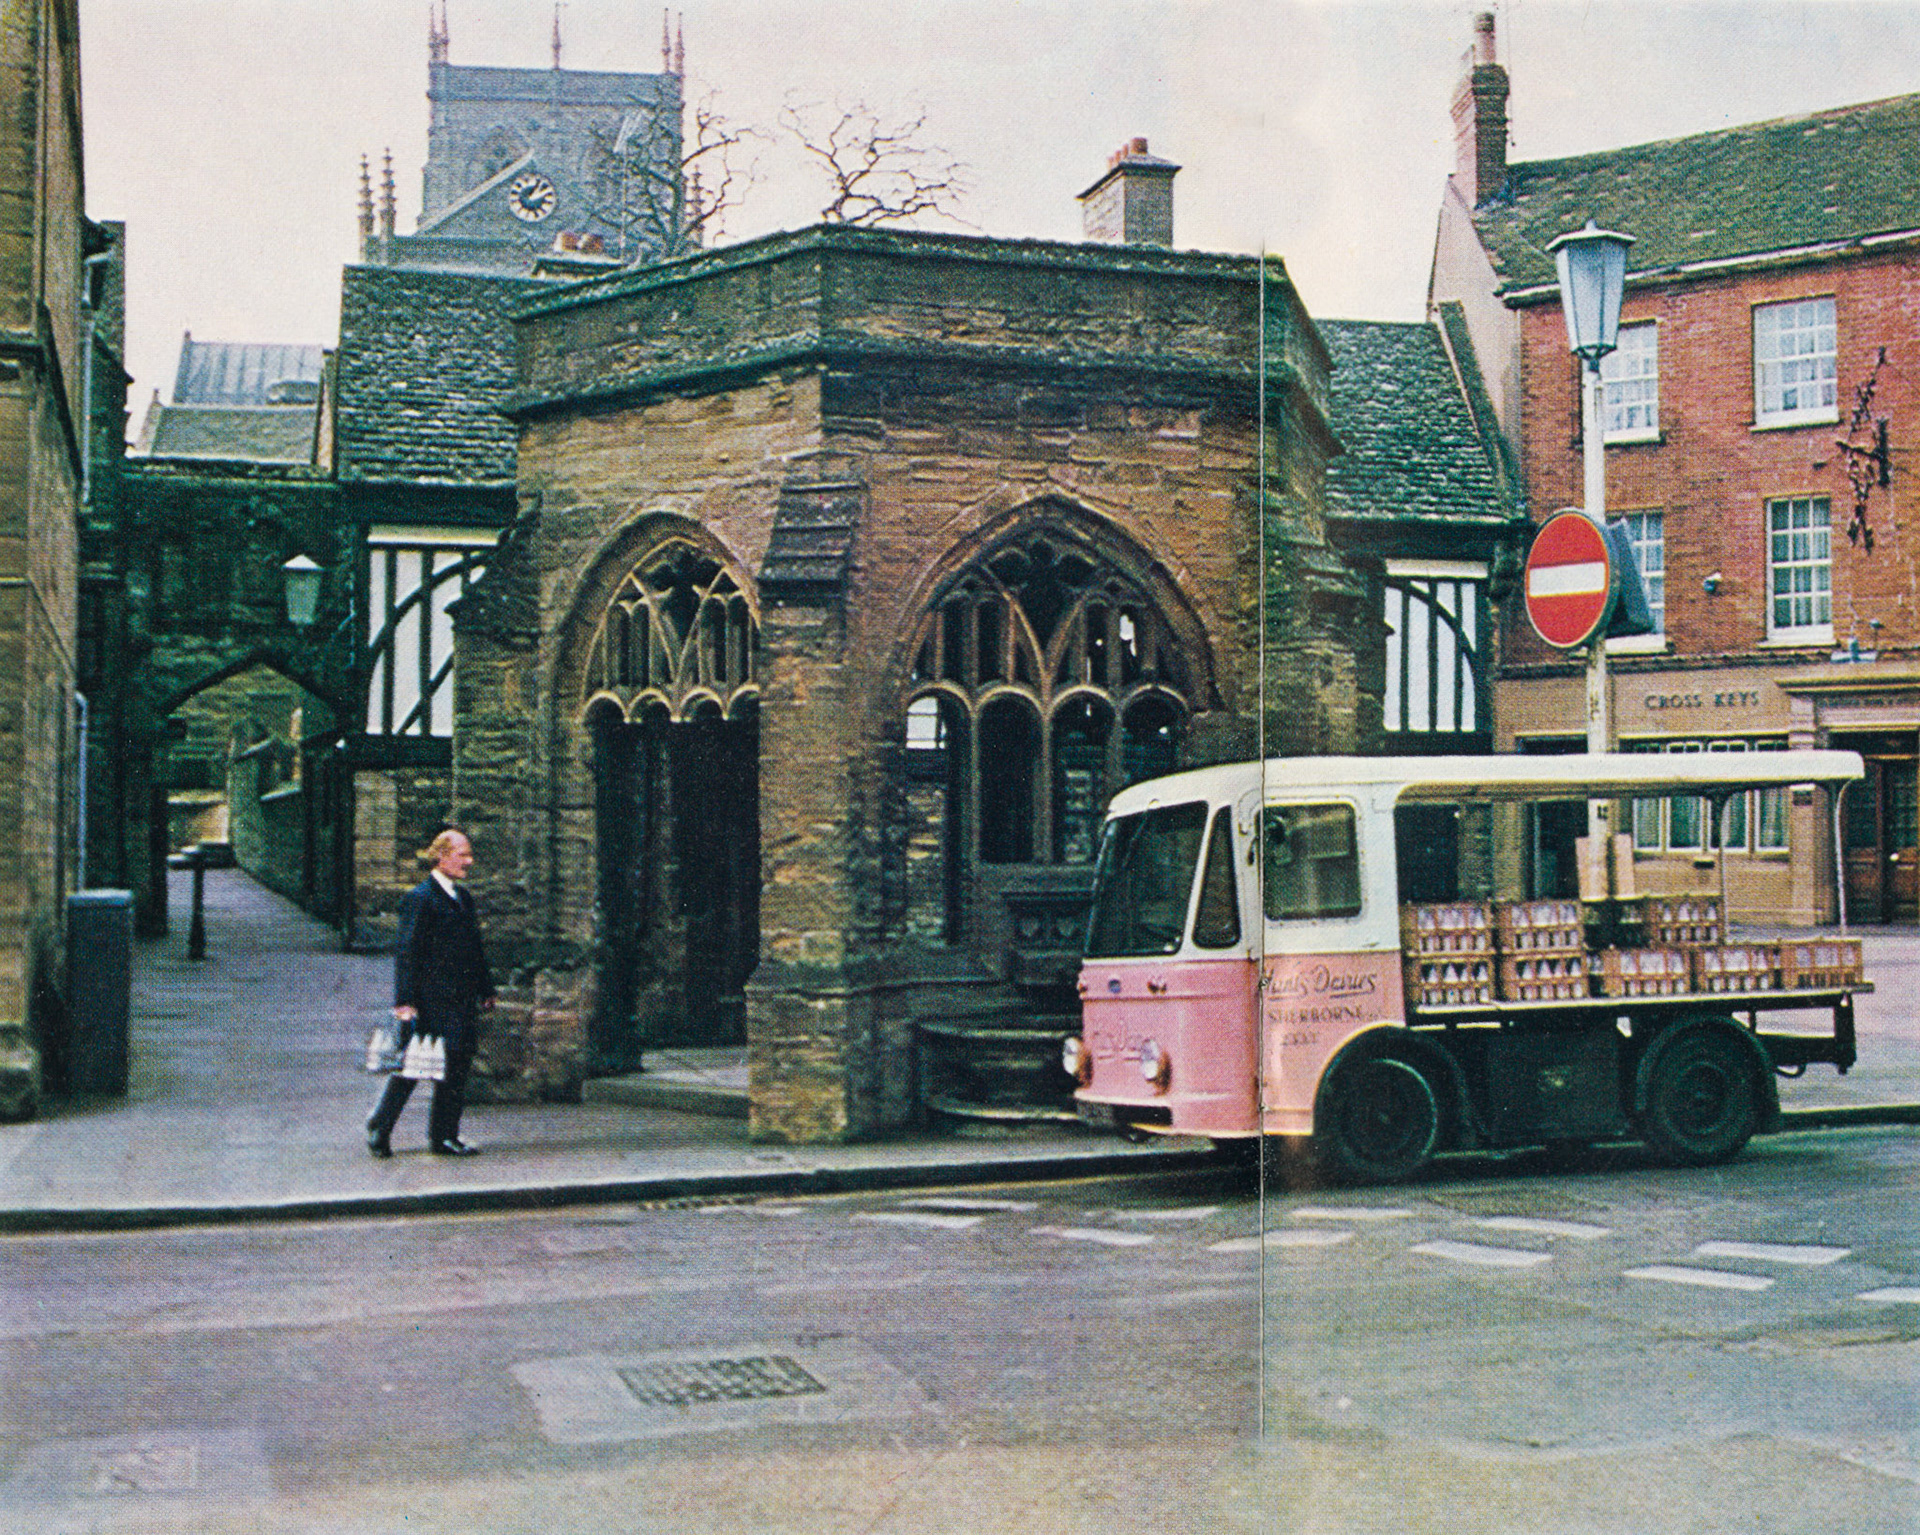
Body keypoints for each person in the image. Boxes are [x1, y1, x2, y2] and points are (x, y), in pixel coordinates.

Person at [365, 828, 495, 1157]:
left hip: (461, 998)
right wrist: (405, 1002)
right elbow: (407, 953)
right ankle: (381, 1125)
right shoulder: (420, 898)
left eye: (469, 854)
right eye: (462, 854)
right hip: (431, 1000)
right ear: (441, 855)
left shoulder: (462, 897)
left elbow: (474, 948)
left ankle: (444, 1136)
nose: (469, 861)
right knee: (415, 1065)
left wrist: (486, 988)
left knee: (457, 1065)